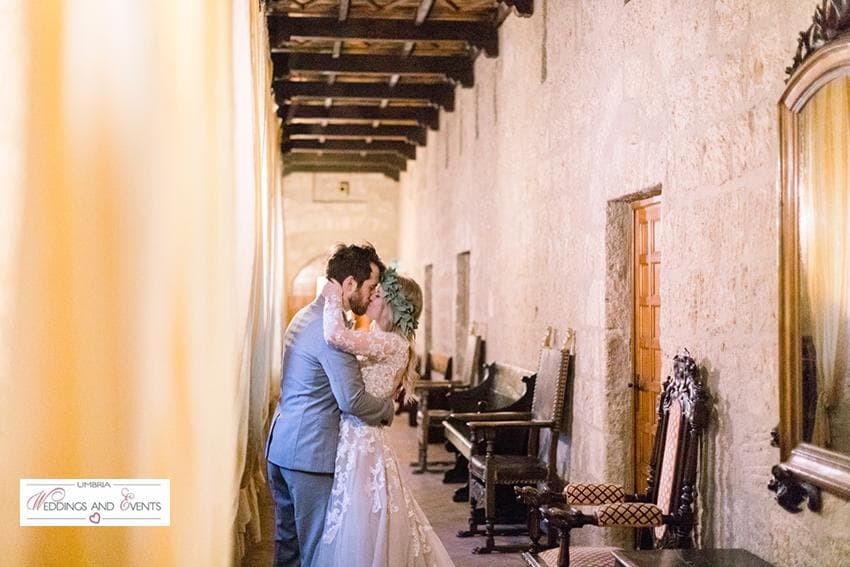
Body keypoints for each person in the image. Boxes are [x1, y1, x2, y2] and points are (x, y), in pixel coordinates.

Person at [312, 267, 455, 567]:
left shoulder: (392, 343)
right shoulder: (379, 335)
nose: (370, 297)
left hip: (363, 438)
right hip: (355, 433)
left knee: (362, 516)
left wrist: (332, 298)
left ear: (393, 305)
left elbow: (335, 336)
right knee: (357, 512)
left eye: (377, 295)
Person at [266, 244, 396, 567]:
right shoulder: (331, 331)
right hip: (308, 456)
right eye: (370, 287)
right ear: (350, 283)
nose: (372, 295)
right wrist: (387, 409)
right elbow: (352, 400)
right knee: (316, 552)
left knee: (288, 547)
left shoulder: (304, 315)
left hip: (281, 447)